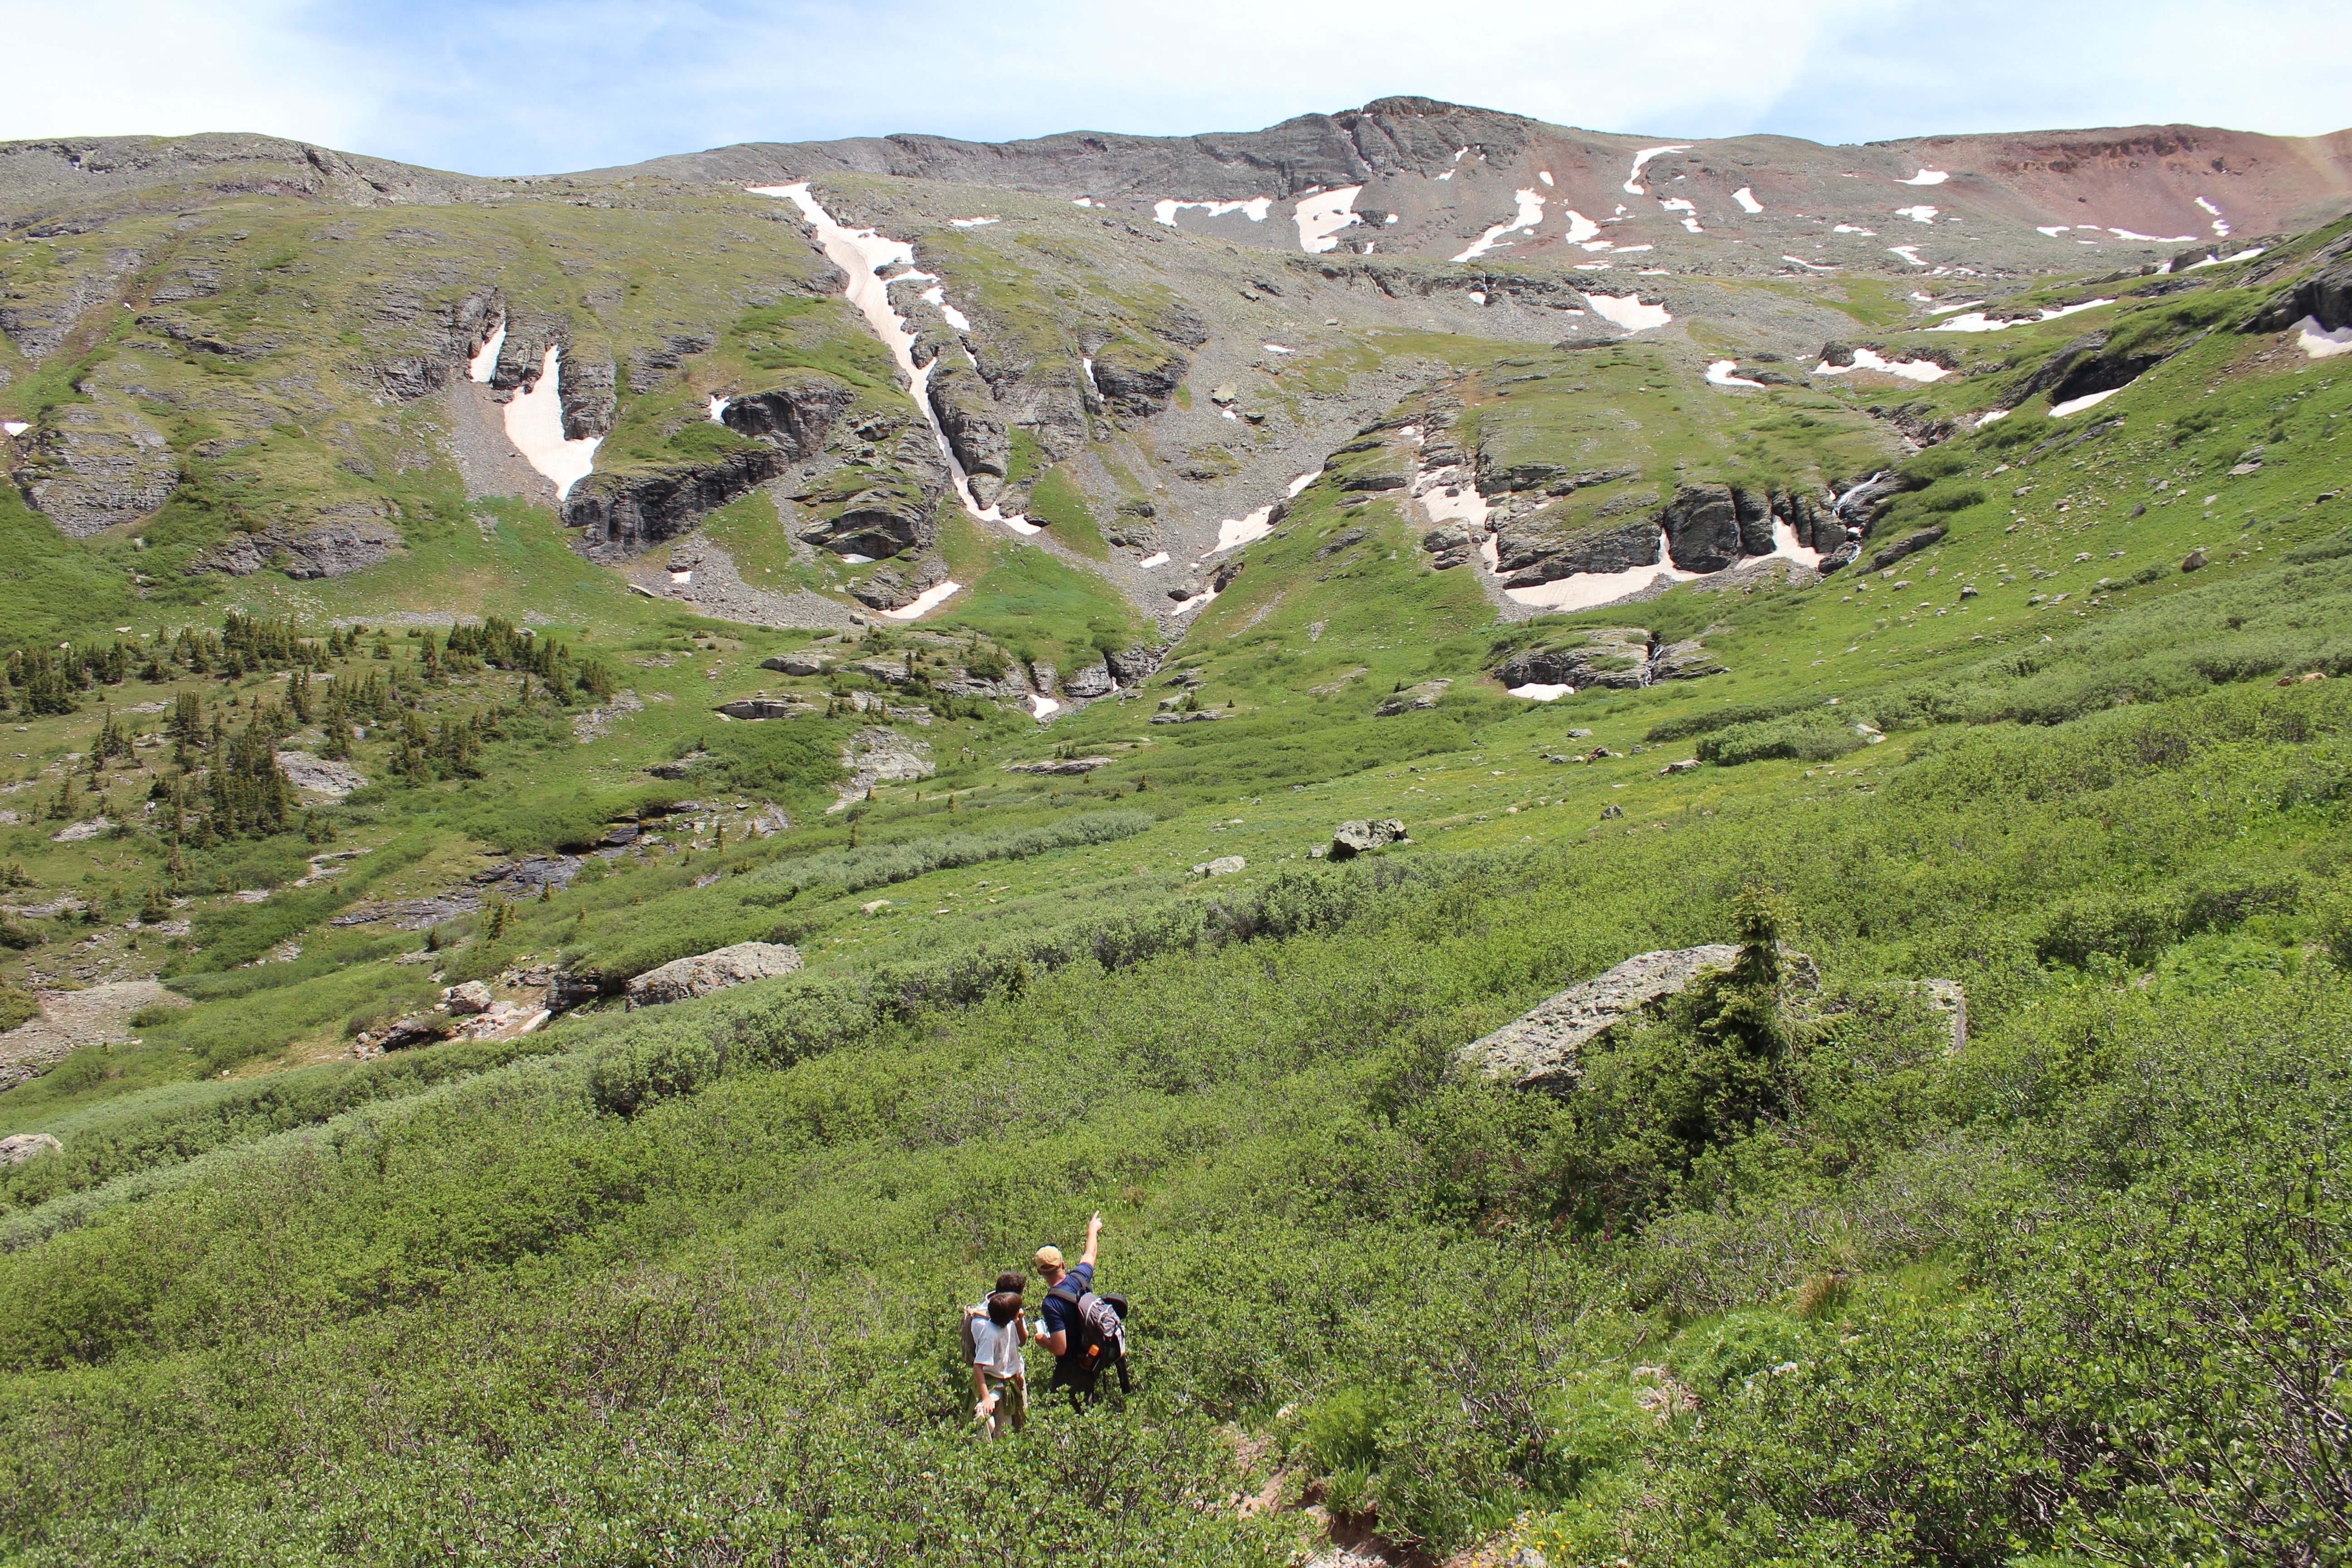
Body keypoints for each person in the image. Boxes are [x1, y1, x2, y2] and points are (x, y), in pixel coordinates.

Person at [1036, 1212, 1125, 1406]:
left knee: (1066, 1414)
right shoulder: (1080, 1277)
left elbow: (1060, 1348)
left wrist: (1044, 1341)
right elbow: (1090, 1253)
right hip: (1093, 1356)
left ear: (1040, 1272)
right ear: (1063, 1264)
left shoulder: (1051, 1304)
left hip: (1073, 1367)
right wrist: (1092, 1230)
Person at [963, 1269, 1028, 1439]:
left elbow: (1016, 1347)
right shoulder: (989, 1332)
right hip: (993, 1382)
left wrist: (1017, 1376)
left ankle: (1000, 1446)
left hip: (1008, 1380)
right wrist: (986, 1398)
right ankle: (981, 1433)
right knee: (986, 1416)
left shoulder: (1008, 1323)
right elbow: (978, 1366)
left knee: (1007, 1426)